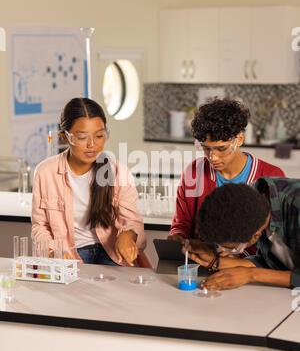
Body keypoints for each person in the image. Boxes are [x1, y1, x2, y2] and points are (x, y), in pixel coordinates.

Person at [32, 97, 147, 266]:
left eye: (99, 135)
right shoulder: (45, 172)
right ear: (65, 137)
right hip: (69, 253)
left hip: (111, 251)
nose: (92, 144)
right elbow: (39, 226)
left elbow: (133, 221)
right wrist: (52, 251)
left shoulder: (117, 172)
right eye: (82, 137)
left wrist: (128, 235)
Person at [169, 99, 285, 242]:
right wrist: (176, 238)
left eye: (221, 148)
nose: (213, 157)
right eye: (206, 148)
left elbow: (274, 238)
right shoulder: (193, 172)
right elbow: (182, 224)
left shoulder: (271, 177)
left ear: (240, 139)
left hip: (248, 264)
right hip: (199, 261)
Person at [184, 178, 300, 290]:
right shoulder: (248, 201)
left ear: (256, 235)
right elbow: (270, 264)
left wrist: (251, 275)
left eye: (231, 248)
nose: (221, 250)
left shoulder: (295, 205)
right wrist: (215, 262)